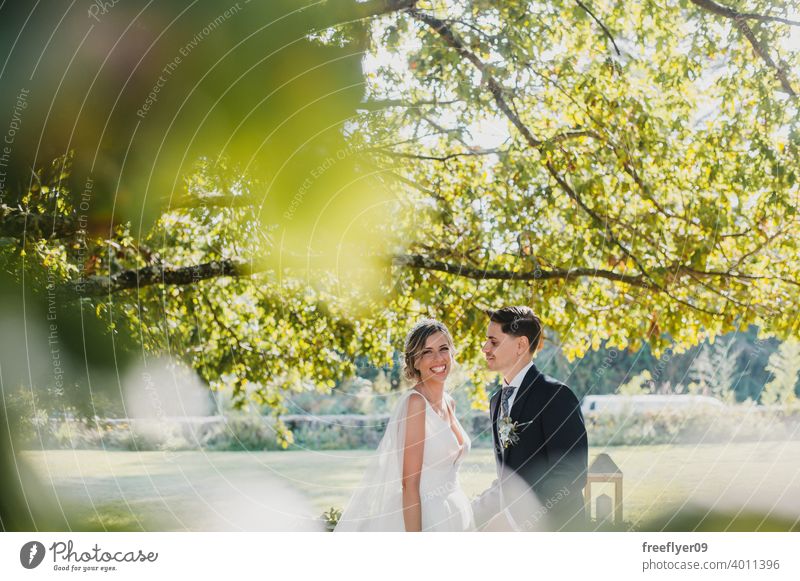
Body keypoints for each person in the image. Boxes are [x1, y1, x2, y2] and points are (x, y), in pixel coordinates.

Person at [335, 319, 475, 531]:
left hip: (455, 514)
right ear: (415, 362)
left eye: (443, 348)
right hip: (425, 518)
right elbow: (409, 485)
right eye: (427, 352)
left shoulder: (450, 403)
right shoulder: (416, 404)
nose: (438, 358)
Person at [472, 306, 588, 531]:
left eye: (494, 342)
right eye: (486, 341)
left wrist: (515, 521)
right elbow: (509, 479)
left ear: (521, 345)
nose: (485, 348)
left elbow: (571, 473)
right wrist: (471, 513)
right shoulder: (496, 401)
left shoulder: (556, 396)